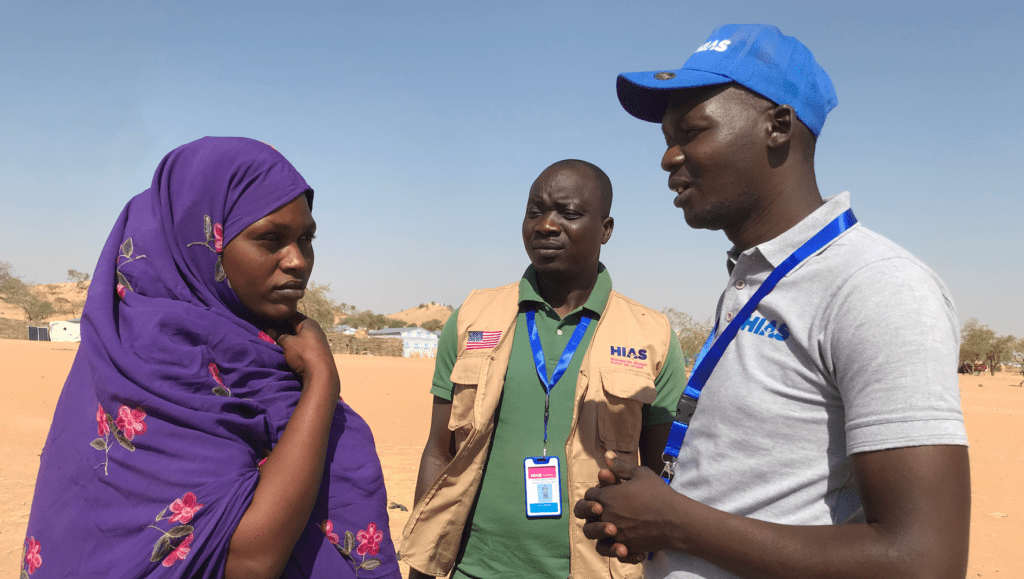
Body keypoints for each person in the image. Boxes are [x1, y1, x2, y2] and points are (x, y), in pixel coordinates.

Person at [573, 24, 971, 579]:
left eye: (691, 131)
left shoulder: (877, 287)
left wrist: (674, 524)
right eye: (667, 136)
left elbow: (924, 560)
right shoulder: (754, 277)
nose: (668, 157)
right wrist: (655, 525)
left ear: (777, 126)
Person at [21, 137, 399, 579]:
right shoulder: (155, 357)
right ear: (200, 243)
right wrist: (321, 382)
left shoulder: (265, 351)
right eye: (271, 239)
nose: (298, 261)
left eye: (306, 238)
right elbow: (248, 560)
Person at [402, 160, 688, 579]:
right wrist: (424, 567)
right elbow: (438, 452)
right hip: (473, 569)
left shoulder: (652, 335)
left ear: (606, 229)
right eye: (535, 211)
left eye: (568, 214)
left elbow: (662, 475)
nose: (546, 226)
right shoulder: (473, 318)